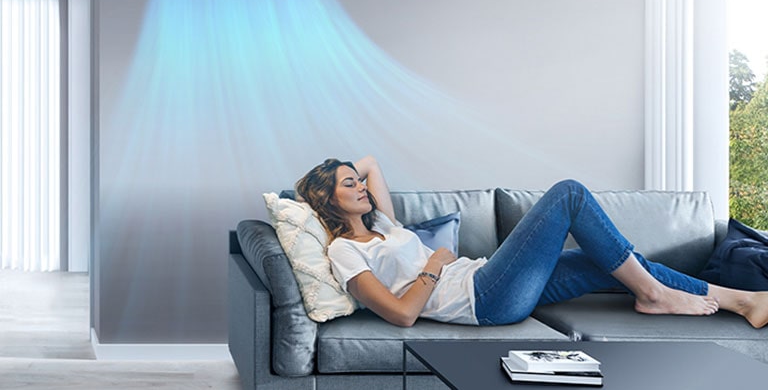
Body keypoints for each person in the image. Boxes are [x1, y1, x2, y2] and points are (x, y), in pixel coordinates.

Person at [295, 156, 768, 328]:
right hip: (484, 299)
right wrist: (434, 265)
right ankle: (656, 294)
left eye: (359, 182)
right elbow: (400, 315)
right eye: (348, 185)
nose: (361, 185)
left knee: (607, 259)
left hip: (483, 277)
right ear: (329, 202)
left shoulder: (386, 225)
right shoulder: (345, 250)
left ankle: (743, 300)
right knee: (568, 195)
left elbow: (371, 161)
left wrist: (341, 175)